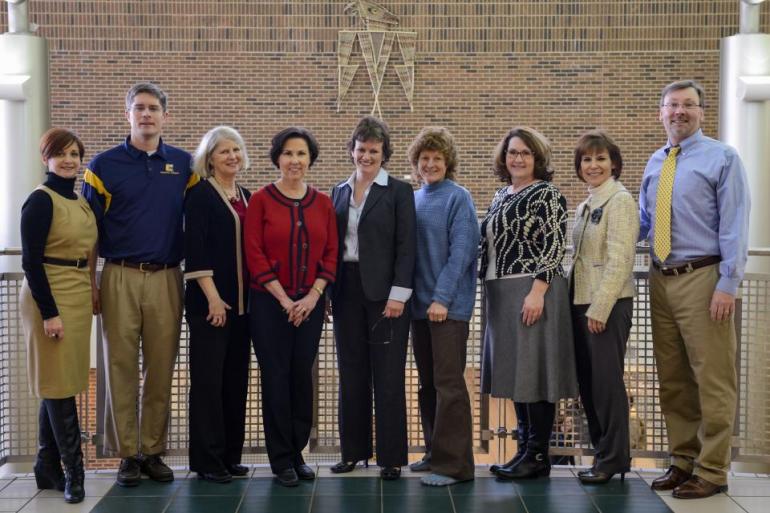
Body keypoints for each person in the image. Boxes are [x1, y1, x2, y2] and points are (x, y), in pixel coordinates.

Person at [82, 82, 199, 487]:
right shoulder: (102, 165)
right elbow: (89, 230)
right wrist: (92, 284)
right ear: (127, 113)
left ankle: (152, 450)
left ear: (166, 115)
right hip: (118, 276)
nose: (146, 115)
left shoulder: (185, 166)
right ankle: (127, 454)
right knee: (120, 367)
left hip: (167, 276)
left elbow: (201, 224)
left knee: (162, 367)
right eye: (139, 108)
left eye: (153, 108)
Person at [640, 80, 750, 499]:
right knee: (673, 379)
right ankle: (683, 461)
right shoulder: (656, 161)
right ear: (661, 112)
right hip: (661, 278)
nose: (679, 112)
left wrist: (728, 283)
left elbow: (735, 224)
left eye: (689, 105)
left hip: (704, 279)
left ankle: (713, 469)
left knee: (713, 378)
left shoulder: (723, 158)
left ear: (702, 112)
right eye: (672, 105)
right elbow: (646, 222)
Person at [480, 126, 577, 480]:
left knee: (535, 374)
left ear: (537, 158)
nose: (517, 158)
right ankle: (523, 450)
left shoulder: (546, 194)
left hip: (533, 292)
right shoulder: (500, 195)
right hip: (501, 293)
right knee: (518, 375)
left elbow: (553, 245)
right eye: (512, 152)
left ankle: (537, 454)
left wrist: (537, 292)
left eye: (525, 153)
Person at [245, 127, 338, 487]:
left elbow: (330, 253)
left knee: (302, 377)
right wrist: (285, 300)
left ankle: (298, 452)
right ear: (277, 158)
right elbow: (253, 252)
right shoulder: (261, 200)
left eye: (301, 154)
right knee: (276, 378)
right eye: (288, 154)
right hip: (270, 306)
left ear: (310, 159)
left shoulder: (323, 203)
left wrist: (313, 296)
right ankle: (280, 458)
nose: (294, 160)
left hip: (310, 305)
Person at [330, 116, 416, 481]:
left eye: (374, 151)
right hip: (345, 289)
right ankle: (353, 451)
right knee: (351, 374)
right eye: (361, 149)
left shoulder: (398, 192)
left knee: (388, 375)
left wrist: (398, 294)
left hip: (386, 296)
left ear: (384, 154)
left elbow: (406, 247)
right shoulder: (338, 191)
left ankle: (392, 457)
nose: (366, 156)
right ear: (352, 150)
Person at [20, 128, 97, 504]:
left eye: (74, 154)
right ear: (46, 158)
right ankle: (74, 474)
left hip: (78, 292)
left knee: (57, 382)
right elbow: (30, 261)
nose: (68, 160)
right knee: (60, 386)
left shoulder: (79, 199)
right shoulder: (41, 200)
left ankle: (45, 466)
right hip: (48, 295)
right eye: (60, 154)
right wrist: (49, 313)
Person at [405, 127, 479, 487]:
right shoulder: (415, 199)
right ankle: (435, 453)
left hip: (447, 309)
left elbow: (462, 252)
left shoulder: (458, 197)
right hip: (418, 309)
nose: (430, 164)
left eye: (437, 158)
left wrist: (442, 299)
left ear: (448, 163)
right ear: (416, 164)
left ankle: (456, 467)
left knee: (449, 385)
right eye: (424, 159)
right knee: (428, 385)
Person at [184, 126, 252, 483]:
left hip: (242, 308)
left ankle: (229, 456)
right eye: (224, 151)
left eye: (237, 150)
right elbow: (196, 251)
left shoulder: (245, 195)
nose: (232, 157)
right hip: (211, 307)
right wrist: (213, 299)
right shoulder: (199, 196)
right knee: (209, 383)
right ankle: (207, 461)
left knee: (234, 382)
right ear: (209, 157)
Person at [570, 130, 638, 484]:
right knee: (589, 385)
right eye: (586, 159)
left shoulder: (620, 201)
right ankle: (602, 455)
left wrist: (600, 307)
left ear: (613, 163)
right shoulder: (586, 204)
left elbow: (620, 259)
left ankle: (613, 460)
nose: (592, 165)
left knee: (606, 384)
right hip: (580, 304)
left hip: (606, 307)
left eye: (599, 158)